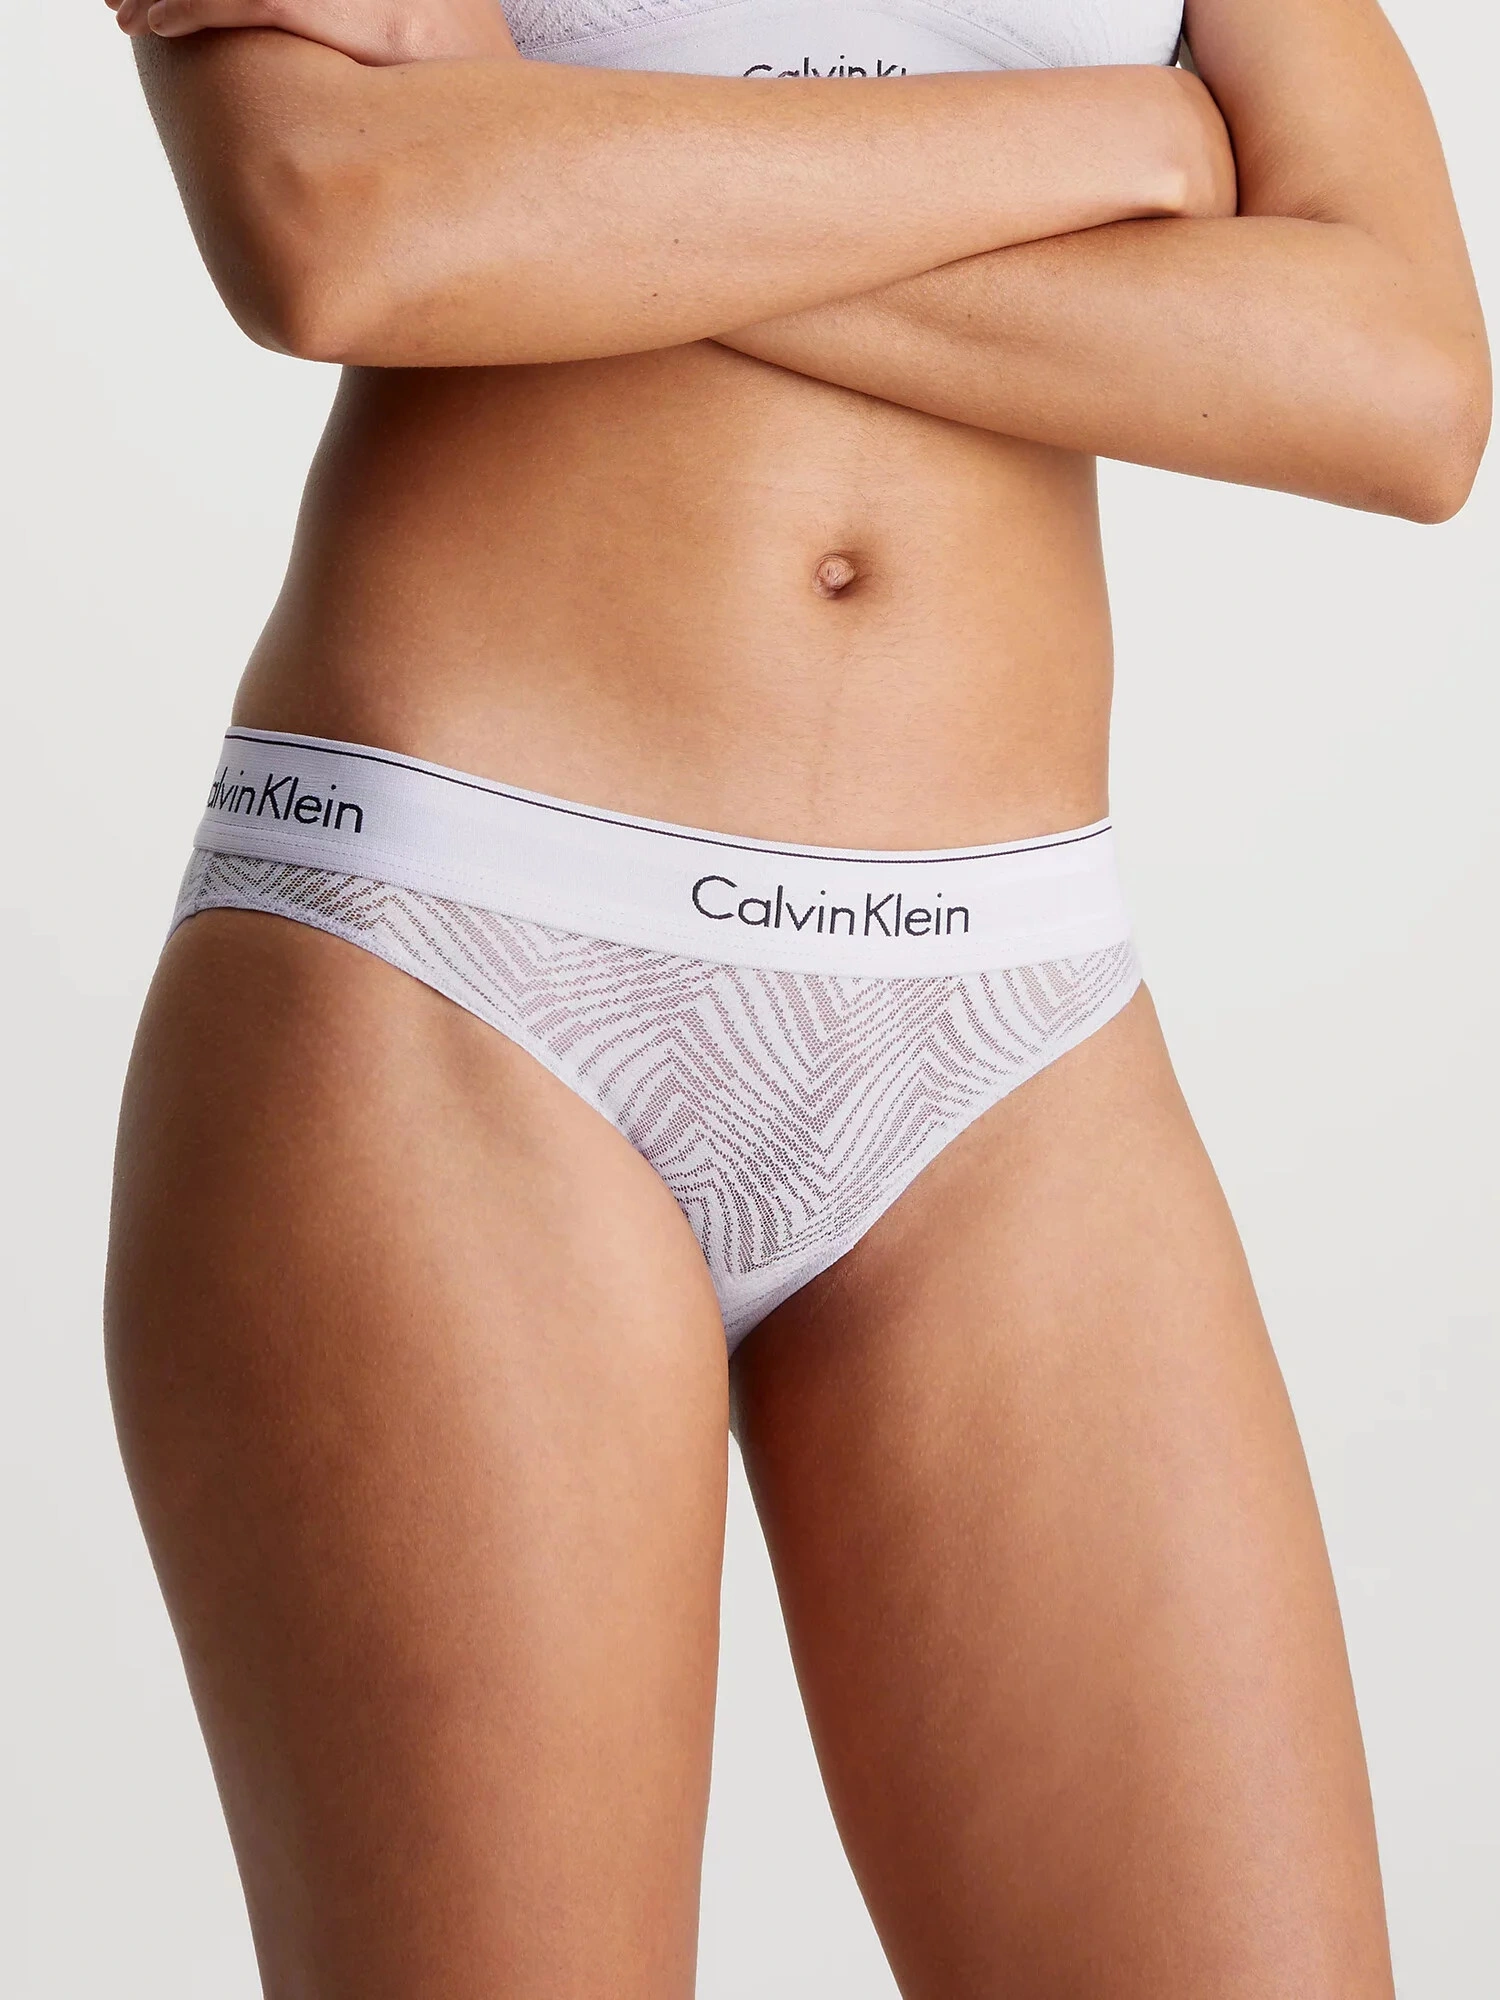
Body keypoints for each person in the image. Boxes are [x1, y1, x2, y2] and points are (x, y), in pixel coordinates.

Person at [101, 0, 1488, 1991]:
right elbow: (343, 227)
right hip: (461, 953)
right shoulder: (1136, 118)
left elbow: (1403, 388)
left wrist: (586, 202)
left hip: (1011, 1031)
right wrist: (1131, 137)